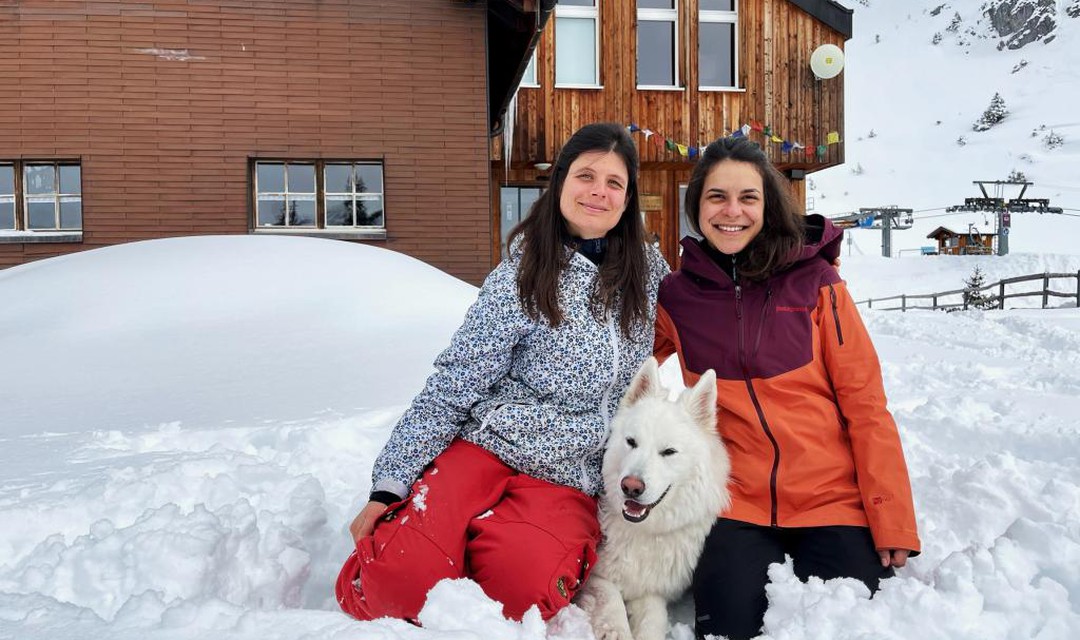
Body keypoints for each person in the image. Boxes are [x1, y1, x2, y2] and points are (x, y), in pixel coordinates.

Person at [335, 122, 670, 623]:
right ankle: (438, 543)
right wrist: (391, 484)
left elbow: (718, 297)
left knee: (520, 596)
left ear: (627, 201)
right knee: (389, 588)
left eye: (614, 183)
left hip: (568, 473)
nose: (599, 190)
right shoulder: (522, 271)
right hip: (485, 450)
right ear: (560, 183)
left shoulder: (648, 276)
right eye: (586, 175)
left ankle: (481, 548)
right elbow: (457, 380)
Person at [653, 136, 920, 640]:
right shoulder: (676, 296)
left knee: (847, 623)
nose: (732, 211)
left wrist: (892, 517)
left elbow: (865, 405)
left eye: (747, 198)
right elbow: (618, 360)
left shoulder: (816, 283)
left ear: (768, 204)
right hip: (737, 504)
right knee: (726, 627)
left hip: (831, 500)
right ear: (697, 206)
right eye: (717, 197)